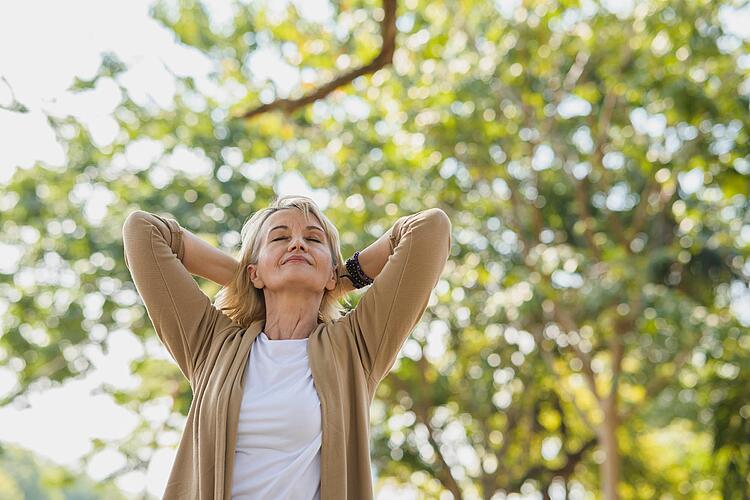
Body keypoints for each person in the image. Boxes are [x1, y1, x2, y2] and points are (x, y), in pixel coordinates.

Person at [121, 194, 452, 499]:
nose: (297, 244)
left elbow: (429, 229)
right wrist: (247, 278)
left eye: (313, 239)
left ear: (331, 273)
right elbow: (144, 231)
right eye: (279, 238)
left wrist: (341, 278)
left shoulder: (356, 346)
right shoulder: (212, 344)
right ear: (255, 271)